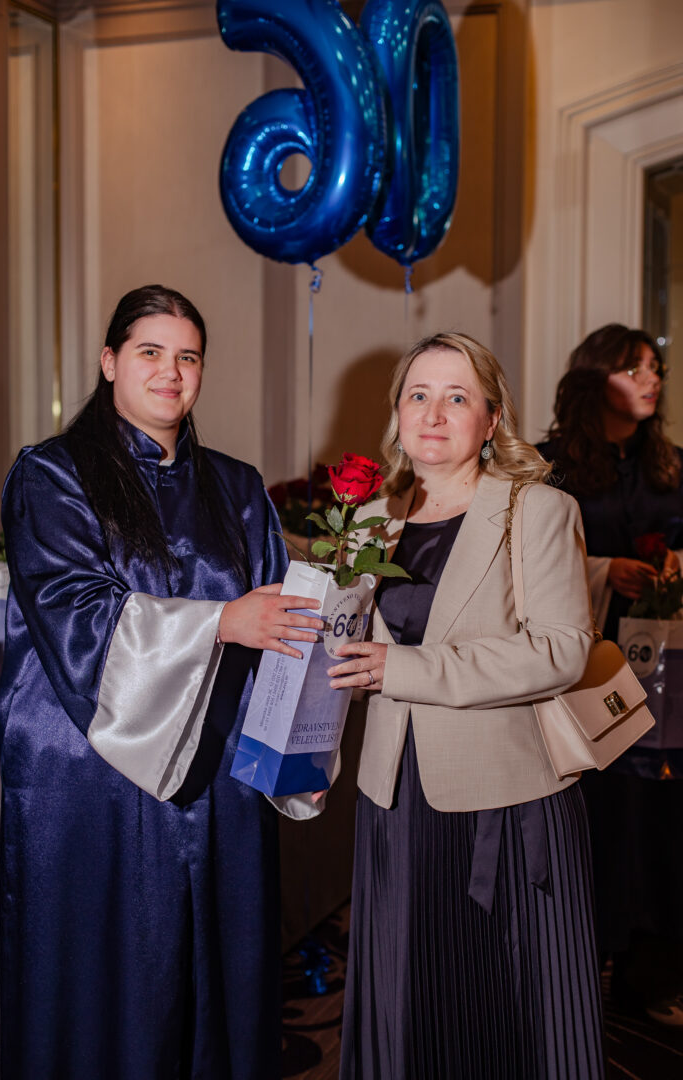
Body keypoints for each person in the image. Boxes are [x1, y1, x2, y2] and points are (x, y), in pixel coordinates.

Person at [0, 284, 324, 1079]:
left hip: (219, 772)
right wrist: (221, 622)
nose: (171, 372)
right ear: (109, 361)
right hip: (92, 775)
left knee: (219, 981)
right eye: (150, 351)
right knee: (113, 987)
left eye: (188, 356)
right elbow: (76, 613)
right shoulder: (53, 475)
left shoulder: (237, 486)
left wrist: (304, 732)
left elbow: (278, 624)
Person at [328, 332, 605, 1080]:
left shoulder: (535, 510)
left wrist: (406, 667)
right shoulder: (369, 520)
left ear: (492, 419)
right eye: (418, 395)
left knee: (502, 1008)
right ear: (397, 413)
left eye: (457, 397)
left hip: (503, 802)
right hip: (394, 798)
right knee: (410, 997)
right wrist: (307, 751)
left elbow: (561, 650)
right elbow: (346, 653)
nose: (434, 413)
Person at [538, 323, 683, 1024]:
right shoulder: (547, 467)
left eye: (655, 368)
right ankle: (571, 970)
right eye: (633, 368)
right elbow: (524, 563)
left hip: (666, 669)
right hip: (584, 669)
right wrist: (602, 570)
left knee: (660, 814)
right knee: (594, 811)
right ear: (595, 379)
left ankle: (646, 976)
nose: (651, 380)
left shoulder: (671, 466)